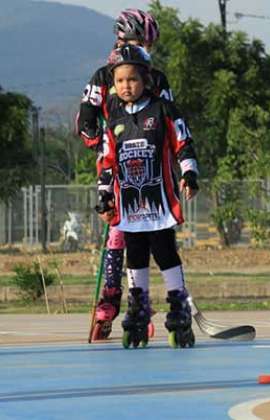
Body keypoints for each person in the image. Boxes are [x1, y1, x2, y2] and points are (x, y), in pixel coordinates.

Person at [78, 9, 173, 340]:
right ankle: (111, 297)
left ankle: (142, 300)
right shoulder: (104, 76)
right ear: (121, 39)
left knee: (153, 233)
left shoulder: (155, 77)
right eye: (139, 42)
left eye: (149, 44)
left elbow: (170, 119)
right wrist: (100, 145)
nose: (145, 49)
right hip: (115, 160)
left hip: (149, 164)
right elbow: (86, 119)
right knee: (120, 228)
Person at [96, 44, 199, 349]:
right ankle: (138, 306)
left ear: (146, 80)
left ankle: (178, 304)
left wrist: (189, 174)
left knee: (165, 252)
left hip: (159, 201)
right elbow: (107, 160)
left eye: (132, 79)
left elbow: (184, 144)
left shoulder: (163, 109)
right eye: (120, 81)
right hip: (129, 204)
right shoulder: (112, 116)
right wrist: (104, 196)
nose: (126, 86)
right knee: (135, 256)